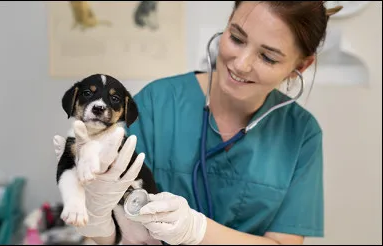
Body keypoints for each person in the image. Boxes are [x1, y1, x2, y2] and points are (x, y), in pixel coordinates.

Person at [53, 1, 343, 245]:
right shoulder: (157, 102)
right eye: (237, 38)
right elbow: (117, 232)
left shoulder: (301, 133)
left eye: (267, 57)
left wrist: (197, 230)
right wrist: (98, 224)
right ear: (228, 22)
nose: (240, 64)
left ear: (300, 66)